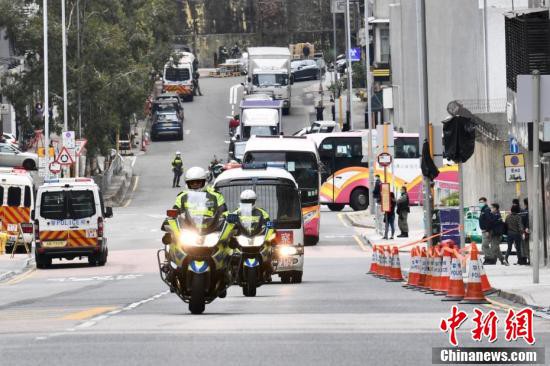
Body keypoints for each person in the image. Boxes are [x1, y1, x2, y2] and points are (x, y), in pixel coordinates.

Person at [478, 197, 494, 264]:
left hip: (486, 231)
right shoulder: (483, 210)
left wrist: (487, 230)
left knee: (485, 245)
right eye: (479, 202)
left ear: (485, 202)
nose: (480, 204)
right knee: (484, 246)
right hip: (484, 231)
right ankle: (488, 258)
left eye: (482, 202)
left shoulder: (486, 209)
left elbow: (489, 221)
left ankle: (490, 259)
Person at [519, 198, 530, 265]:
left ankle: (528, 259)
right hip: (529, 231)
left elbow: (521, 222)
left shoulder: (524, 212)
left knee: (526, 246)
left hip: (526, 231)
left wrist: (523, 230)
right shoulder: (529, 211)